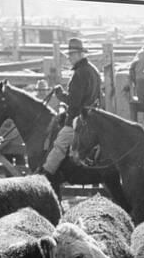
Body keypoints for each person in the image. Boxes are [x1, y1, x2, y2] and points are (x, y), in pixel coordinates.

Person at [38, 38, 101, 179]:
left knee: (60, 144)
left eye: (71, 54)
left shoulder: (79, 74)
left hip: (78, 118)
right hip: (93, 117)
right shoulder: (93, 71)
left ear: (80, 55)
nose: (69, 57)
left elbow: (74, 103)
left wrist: (60, 95)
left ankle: (45, 177)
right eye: (69, 54)